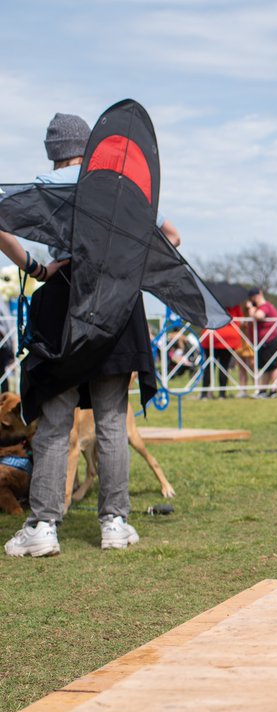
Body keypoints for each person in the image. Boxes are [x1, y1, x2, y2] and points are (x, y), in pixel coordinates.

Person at [0, 113, 180, 557]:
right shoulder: (119, 188)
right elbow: (172, 237)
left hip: (61, 297)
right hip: (116, 303)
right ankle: (115, 522)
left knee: (57, 422)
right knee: (112, 421)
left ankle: (42, 526)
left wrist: (35, 268)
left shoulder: (43, 185)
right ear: (94, 147)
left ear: (52, 151)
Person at [245, 287, 277, 398]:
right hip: (262, 342)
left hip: (269, 340)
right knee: (266, 368)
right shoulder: (264, 306)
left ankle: (274, 391)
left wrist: (251, 309)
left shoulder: (265, 306)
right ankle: (263, 391)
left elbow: (259, 316)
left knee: (273, 366)